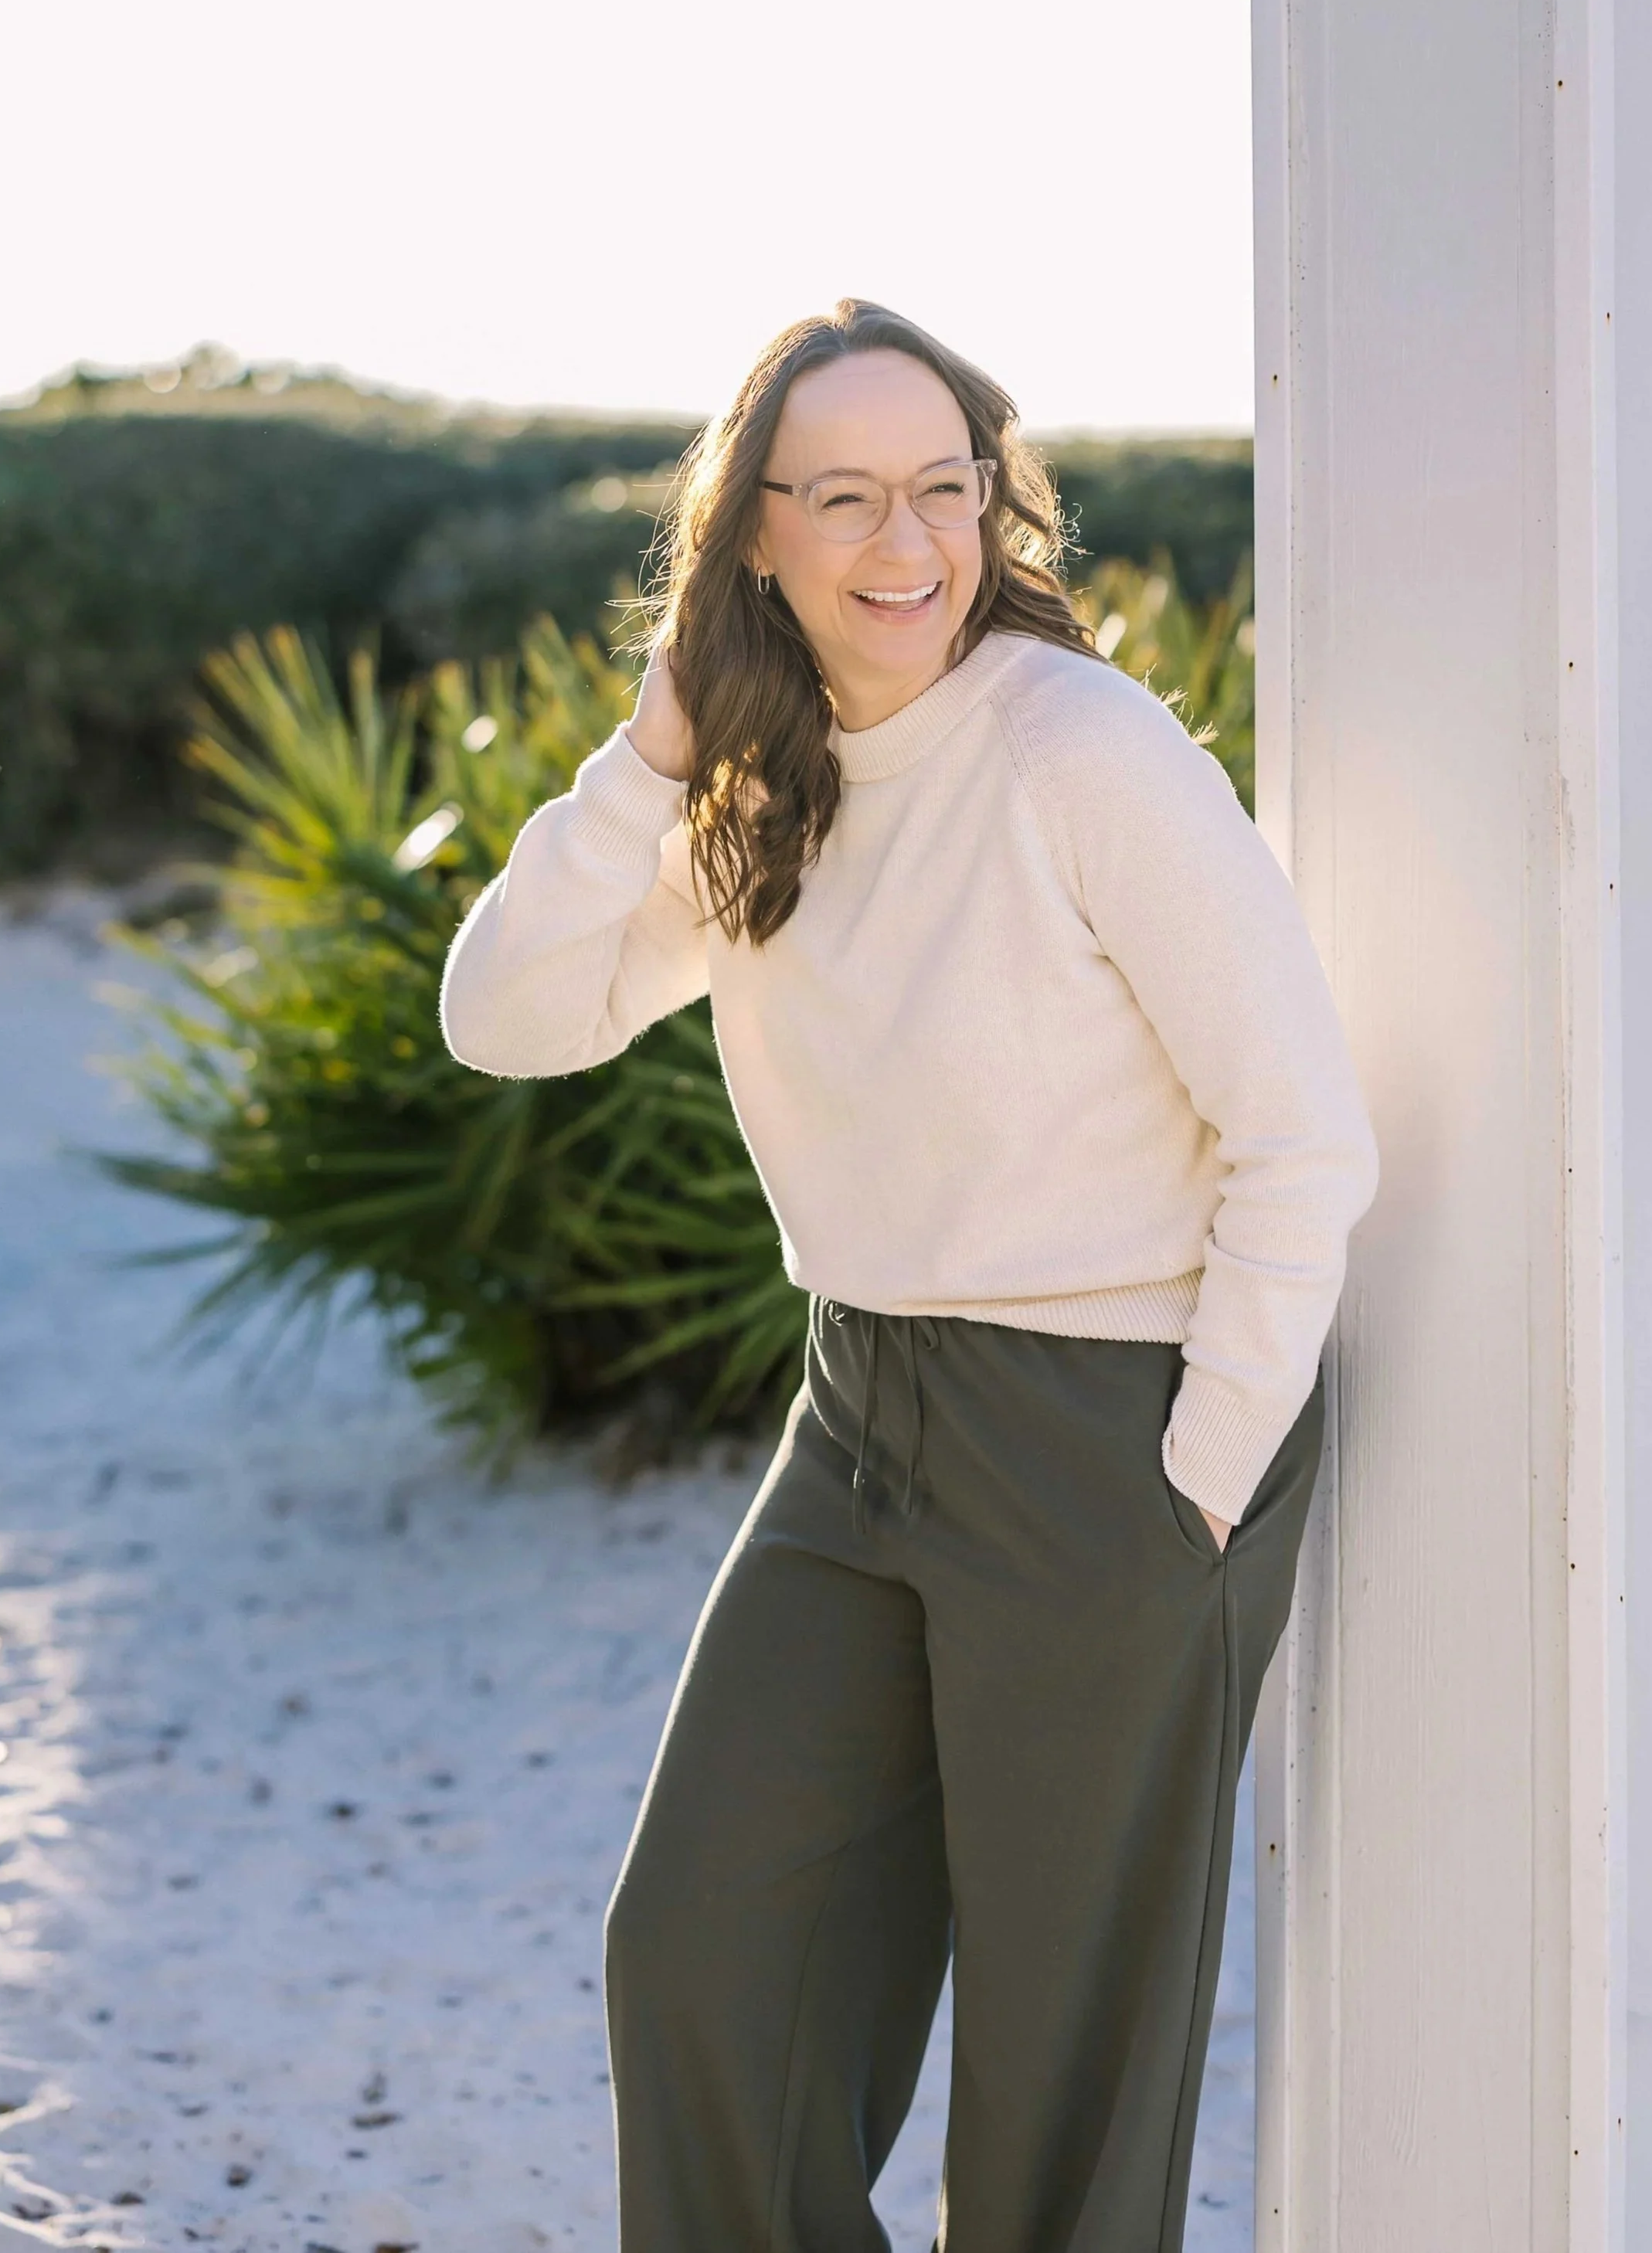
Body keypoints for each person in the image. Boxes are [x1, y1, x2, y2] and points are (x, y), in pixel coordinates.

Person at [439, 297, 1379, 2252]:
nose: (904, 544)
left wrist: (1192, 1477)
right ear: (750, 538)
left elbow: (1301, 1135)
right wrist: (653, 749)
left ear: (993, 507)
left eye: (943, 490)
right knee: (703, 1955)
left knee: (1059, 2070)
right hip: (856, 1413)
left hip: (1108, 1433)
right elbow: (502, 1019)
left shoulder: (1079, 752)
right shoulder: (758, 785)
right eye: (844, 496)